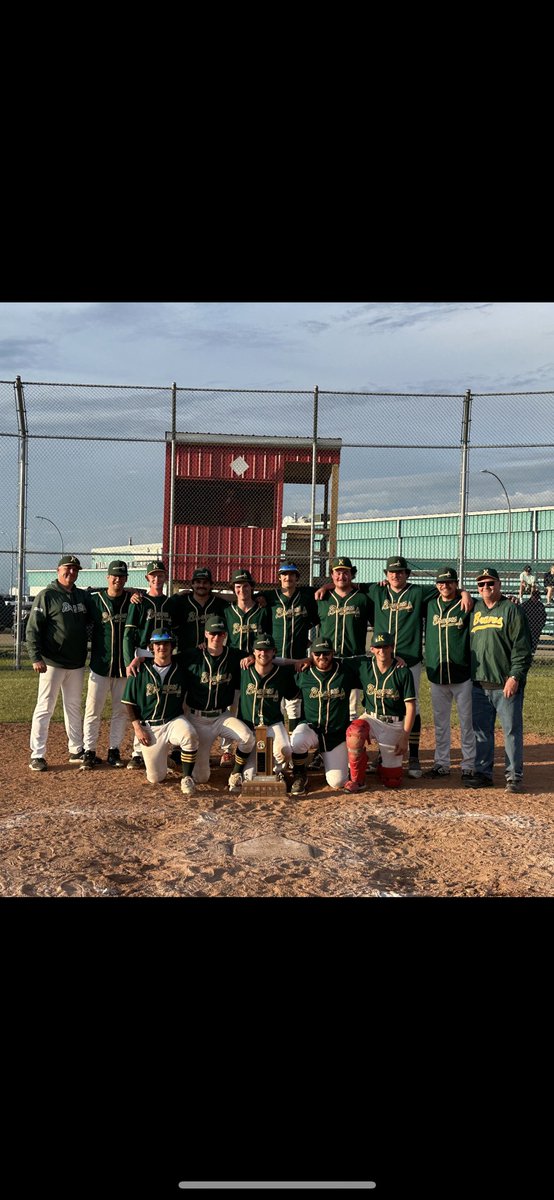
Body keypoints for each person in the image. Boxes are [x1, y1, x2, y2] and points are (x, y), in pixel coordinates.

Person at [319, 554, 472, 778]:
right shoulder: (377, 591)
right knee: (381, 706)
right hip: (381, 660)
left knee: (413, 707)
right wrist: (327, 585)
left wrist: (465, 592)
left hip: (408, 661)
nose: (395, 575)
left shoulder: (418, 592)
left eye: (400, 571)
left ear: (407, 574)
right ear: (386, 575)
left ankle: (415, 757)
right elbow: (346, 583)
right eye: (391, 572)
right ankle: (383, 753)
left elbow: (446, 589)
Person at [27, 554, 98, 772]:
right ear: (58, 571)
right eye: (67, 569)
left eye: (75, 570)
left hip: (76, 663)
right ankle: (37, 754)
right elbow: (33, 629)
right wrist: (35, 657)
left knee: (74, 707)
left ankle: (76, 749)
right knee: (45, 708)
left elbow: (98, 609)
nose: (71, 573)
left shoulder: (81, 596)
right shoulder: (47, 595)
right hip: (51, 662)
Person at [467, 567, 532, 793]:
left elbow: (522, 648)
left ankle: (514, 775)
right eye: (481, 584)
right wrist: (465, 594)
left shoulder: (511, 609)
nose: (486, 588)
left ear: (499, 584)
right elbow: (446, 592)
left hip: (505, 684)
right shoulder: (474, 609)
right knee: (482, 731)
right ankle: (483, 773)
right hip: (479, 684)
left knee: (511, 730)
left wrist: (515, 676)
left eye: (490, 583)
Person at [180, 613, 255, 793]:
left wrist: (251, 657)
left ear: (225, 636)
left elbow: (260, 655)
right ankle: (187, 774)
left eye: (220, 634)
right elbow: (165, 660)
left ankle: (235, 774)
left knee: (247, 738)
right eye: (212, 633)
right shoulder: (192, 655)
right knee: (202, 777)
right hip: (197, 718)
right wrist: (141, 659)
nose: (216, 637)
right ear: (205, 634)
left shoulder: (234, 655)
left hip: (222, 716)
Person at [121, 631, 198, 794]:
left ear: (172, 647)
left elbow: (194, 655)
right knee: (156, 778)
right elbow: (129, 703)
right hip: (150, 726)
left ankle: (187, 777)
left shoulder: (180, 669)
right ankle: (165, 761)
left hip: (173, 720)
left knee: (189, 735)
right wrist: (138, 729)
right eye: (158, 644)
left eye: (166, 644)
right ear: (151, 647)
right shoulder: (139, 670)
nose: (162, 647)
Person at [421, 566, 476, 784]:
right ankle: (442, 764)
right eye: (441, 583)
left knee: (467, 722)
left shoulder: (466, 605)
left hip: (462, 675)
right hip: (437, 675)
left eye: (450, 582)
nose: (445, 586)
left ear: (456, 583)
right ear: (436, 585)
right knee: (440, 723)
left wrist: (465, 593)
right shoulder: (429, 604)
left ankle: (469, 765)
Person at [345, 631, 416, 792]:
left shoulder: (403, 671)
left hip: (394, 723)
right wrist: (308, 659)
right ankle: (357, 779)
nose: (381, 651)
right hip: (371, 718)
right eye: (378, 647)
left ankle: (382, 765)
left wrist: (405, 737)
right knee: (355, 732)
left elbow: (411, 707)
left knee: (393, 781)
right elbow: (335, 661)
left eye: (385, 647)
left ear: (392, 648)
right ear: (372, 649)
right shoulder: (364, 665)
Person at [123, 559, 176, 770]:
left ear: (165, 577)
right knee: (144, 701)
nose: (157, 578)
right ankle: (137, 752)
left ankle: (168, 749)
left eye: (160, 575)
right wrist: (130, 661)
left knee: (165, 700)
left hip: (166, 655)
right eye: (153, 575)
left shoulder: (171, 603)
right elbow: (128, 634)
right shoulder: (139, 602)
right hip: (144, 654)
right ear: (147, 578)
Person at [289, 636, 360, 795]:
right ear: (311, 654)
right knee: (298, 740)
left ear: (333, 653)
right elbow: (274, 665)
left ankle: (323, 757)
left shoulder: (345, 671)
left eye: (326, 653)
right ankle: (300, 774)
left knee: (338, 781)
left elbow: (370, 661)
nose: (322, 657)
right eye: (317, 653)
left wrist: (395, 658)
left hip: (336, 734)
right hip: (311, 728)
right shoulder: (304, 673)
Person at [81, 559, 133, 770]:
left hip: (123, 667)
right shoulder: (95, 601)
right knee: (93, 710)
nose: (117, 580)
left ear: (126, 579)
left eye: (121, 576)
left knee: (120, 712)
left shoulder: (132, 600)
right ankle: (89, 751)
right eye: (114, 576)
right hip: (100, 666)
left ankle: (114, 750)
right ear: (107, 577)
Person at [258, 562, 319, 732]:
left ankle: (294, 739)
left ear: (297, 578)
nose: (288, 577)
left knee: (295, 703)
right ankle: (275, 738)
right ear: (279, 577)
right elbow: (255, 599)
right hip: (275, 660)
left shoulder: (306, 596)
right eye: (284, 574)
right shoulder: (271, 597)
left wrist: (306, 639)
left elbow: (317, 619)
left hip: (297, 659)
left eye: (292, 574)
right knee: (275, 701)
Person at [219, 568, 269, 765]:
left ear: (252, 587)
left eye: (246, 585)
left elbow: (268, 638)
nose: (242, 590)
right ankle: (227, 750)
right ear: (233, 588)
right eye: (238, 586)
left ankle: (260, 745)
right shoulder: (227, 611)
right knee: (230, 708)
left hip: (256, 667)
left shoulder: (262, 611)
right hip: (232, 667)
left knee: (256, 705)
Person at [315, 556, 374, 722]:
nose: (341, 576)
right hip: (329, 660)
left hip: (354, 659)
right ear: (332, 575)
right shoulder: (322, 599)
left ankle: (353, 743)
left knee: (352, 709)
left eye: (345, 572)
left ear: (352, 574)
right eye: (337, 573)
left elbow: (378, 624)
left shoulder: (363, 598)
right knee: (330, 705)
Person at [238, 633, 300, 782]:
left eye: (267, 650)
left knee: (285, 751)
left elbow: (295, 696)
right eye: (259, 649)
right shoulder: (243, 670)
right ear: (253, 652)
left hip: (273, 723)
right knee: (250, 776)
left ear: (274, 652)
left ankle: (277, 771)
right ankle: (245, 767)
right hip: (250, 727)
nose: (263, 653)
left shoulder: (282, 674)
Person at [522, 586, 546, 657]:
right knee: (526, 643)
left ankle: (531, 657)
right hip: (527, 628)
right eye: (535, 598)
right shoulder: (525, 605)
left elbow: (544, 616)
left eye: (537, 598)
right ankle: (525, 656)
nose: (536, 599)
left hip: (536, 628)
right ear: (532, 596)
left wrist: (541, 626)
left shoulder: (540, 605)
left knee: (534, 644)